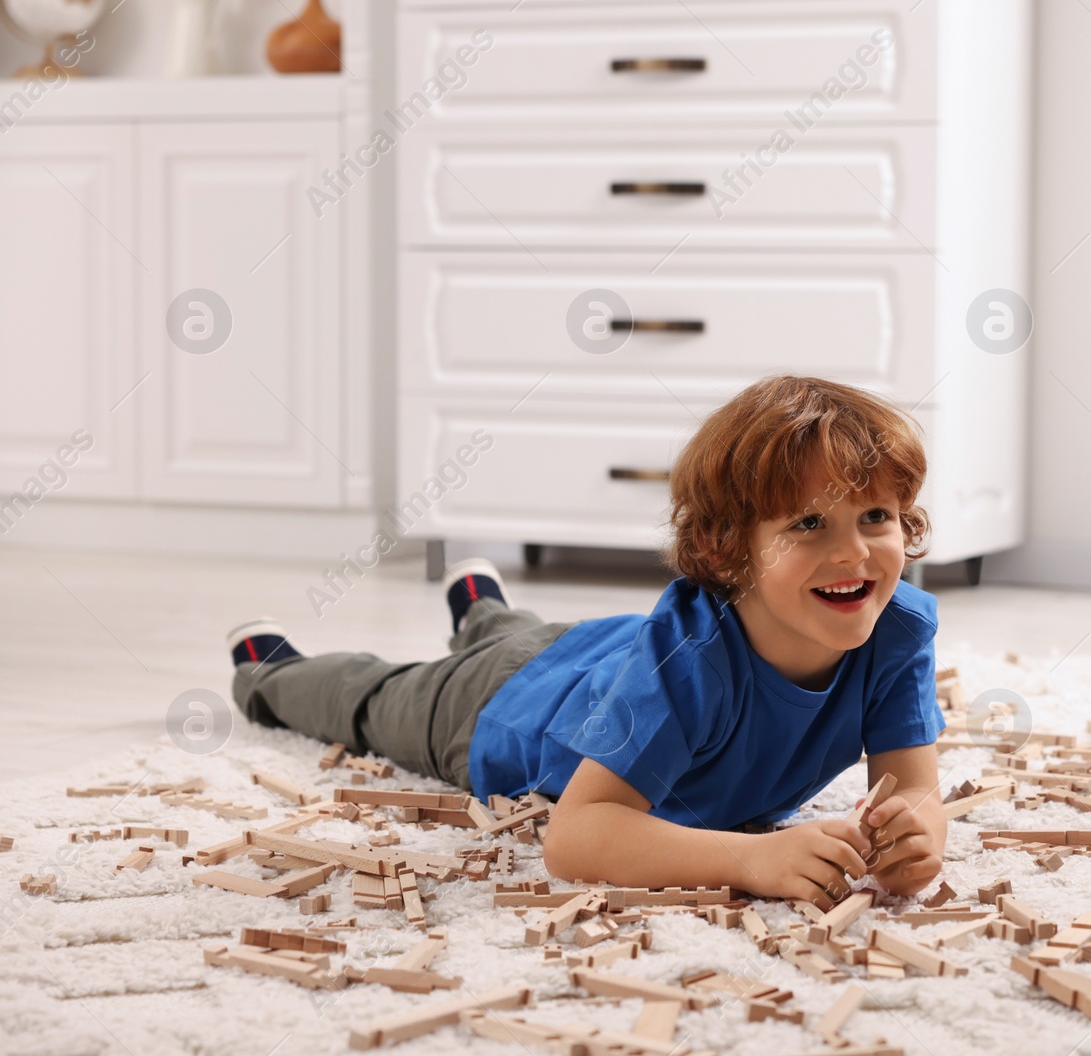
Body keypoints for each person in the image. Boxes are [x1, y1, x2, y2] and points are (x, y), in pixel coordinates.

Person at [228, 374, 948, 909]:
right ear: (726, 550)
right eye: (810, 524)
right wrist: (755, 858)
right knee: (376, 698)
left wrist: (918, 838)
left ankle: (481, 608)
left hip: (598, 651)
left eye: (876, 515)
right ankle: (273, 671)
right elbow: (575, 837)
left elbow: (916, 786)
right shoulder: (687, 666)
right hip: (503, 704)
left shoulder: (899, 628)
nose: (855, 553)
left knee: (519, 636)